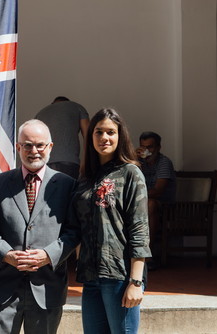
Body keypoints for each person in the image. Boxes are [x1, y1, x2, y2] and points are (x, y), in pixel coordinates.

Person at [0, 119, 76, 334]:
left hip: (47, 288)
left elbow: (74, 230)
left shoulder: (67, 185)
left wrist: (48, 254)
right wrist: (6, 253)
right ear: (18, 147)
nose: (33, 151)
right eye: (27, 145)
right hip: (4, 287)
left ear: (50, 147)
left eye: (39, 145)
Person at [72, 108, 152, 334]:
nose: (104, 138)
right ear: (91, 136)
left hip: (119, 275)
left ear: (120, 136)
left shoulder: (130, 173)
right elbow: (79, 224)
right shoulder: (86, 177)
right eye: (98, 132)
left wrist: (136, 282)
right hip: (90, 276)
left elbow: (139, 228)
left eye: (110, 132)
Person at [136, 131, 175, 270]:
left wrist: (135, 196)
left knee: (150, 204)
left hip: (164, 206)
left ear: (159, 147)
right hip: (140, 202)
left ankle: (147, 254)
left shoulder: (164, 162)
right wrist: (132, 159)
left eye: (150, 147)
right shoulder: (139, 162)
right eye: (143, 146)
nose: (147, 151)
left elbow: (158, 191)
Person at [35, 96, 89, 179]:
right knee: (67, 190)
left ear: (52, 104)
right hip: (68, 162)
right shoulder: (77, 107)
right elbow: (88, 136)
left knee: (49, 191)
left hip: (43, 164)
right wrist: (85, 162)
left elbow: (33, 141)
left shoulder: (40, 113)